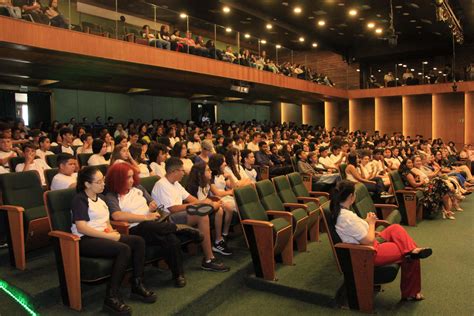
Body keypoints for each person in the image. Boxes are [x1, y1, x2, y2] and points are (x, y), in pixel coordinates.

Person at [71, 167, 156, 314]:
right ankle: (111, 297)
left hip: (103, 235)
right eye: (98, 182)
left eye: (103, 180)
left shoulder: (101, 198)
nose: (103, 184)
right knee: (123, 249)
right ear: (87, 184)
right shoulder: (80, 199)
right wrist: (109, 236)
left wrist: (110, 230)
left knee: (138, 241)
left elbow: (106, 220)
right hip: (84, 240)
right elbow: (81, 227)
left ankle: (137, 283)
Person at [330, 180, 432, 301]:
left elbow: (357, 232)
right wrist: (372, 223)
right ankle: (411, 292)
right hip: (369, 253)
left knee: (395, 228)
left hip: (370, 243)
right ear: (351, 196)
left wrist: (368, 224)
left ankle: (412, 250)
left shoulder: (344, 212)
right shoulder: (347, 217)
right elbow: (368, 241)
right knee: (409, 253)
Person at [105, 162, 201, 288]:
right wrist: (144, 217)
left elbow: (152, 203)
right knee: (148, 226)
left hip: (153, 225)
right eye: (128, 177)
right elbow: (117, 215)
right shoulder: (112, 195)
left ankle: (178, 275)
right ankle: (179, 229)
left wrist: (152, 207)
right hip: (133, 229)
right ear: (118, 179)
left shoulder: (138, 188)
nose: (131, 180)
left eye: (132, 176)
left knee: (170, 238)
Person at [151, 157, 230, 272]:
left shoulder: (176, 184)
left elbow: (190, 198)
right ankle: (209, 259)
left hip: (179, 214)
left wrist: (204, 202)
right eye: (182, 171)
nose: (184, 173)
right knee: (201, 215)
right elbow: (173, 209)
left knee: (209, 209)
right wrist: (197, 206)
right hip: (168, 219)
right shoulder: (162, 185)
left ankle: (214, 246)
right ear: (174, 172)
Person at [186, 162, 232, 255]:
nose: (211, 171)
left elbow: (207, 197)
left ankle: (219, 239)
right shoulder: (192, 187)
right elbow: (194, 203)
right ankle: (218, 240)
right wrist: (212, 203)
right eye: (208, 170)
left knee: (224, 207)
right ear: (200, 173)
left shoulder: (207, 181)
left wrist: (214, 201)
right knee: (219, 210)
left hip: (205, 206)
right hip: (195, 211)